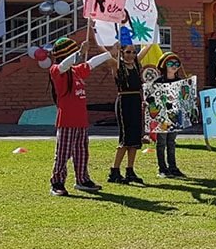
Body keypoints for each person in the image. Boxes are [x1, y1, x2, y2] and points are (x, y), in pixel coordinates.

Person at [48, 35, 111, 196]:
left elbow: (90, 64)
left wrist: (110, 53)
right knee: (63, 153)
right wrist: (78, 54)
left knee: (82, 152)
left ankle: (82, 179)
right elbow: (63, 65)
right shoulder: (56, 71)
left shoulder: (76, 71)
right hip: (67, 121)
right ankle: (57, 182)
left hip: (81, 121)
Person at [105, 40, 152, 185]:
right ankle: (114, 171)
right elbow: (106, 56)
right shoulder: (117, 65)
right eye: (128, 52)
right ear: (122, 53)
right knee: (125, 138)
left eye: (133, 52)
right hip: (124, 101)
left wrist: (153, 29)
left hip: (136, 101)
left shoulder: (137, 64)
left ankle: (130, 170)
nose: (131, 55)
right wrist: (113, 48)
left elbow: (147, 47)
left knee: (135, 139)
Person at [150, 52, 187, 178]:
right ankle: (162, 168)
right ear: (164, 65)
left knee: (171, 141)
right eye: (171, 63)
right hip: (162, 117)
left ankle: (173, 167)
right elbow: (152, 99)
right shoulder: (158, 81)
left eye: (177, 64)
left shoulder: (180, 81)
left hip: (175, 116)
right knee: (161, 142)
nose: (174, 66)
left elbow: (184, 98)